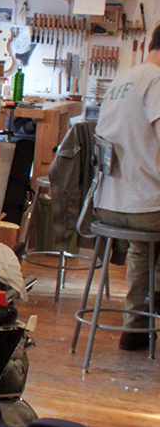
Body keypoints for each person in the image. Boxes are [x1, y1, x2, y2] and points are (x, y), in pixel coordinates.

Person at [93, 23, 160, 350]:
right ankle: (149, 308)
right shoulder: (157, 81)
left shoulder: (123, 78)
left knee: (143, 246)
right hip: (143, 207)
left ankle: (136, 324)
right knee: (150, 234)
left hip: (108, 203)